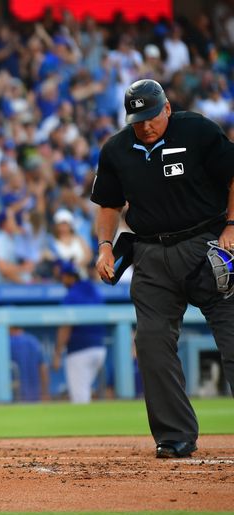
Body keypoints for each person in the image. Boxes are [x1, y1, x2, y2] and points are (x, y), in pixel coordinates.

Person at [92, 79, 234, 459]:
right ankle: (174, 435)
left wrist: (232, 226)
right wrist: (105, 246)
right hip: (151, 254)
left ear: (167, 108)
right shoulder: (118, 149)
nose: (146, 125)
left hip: (206, 246)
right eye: (138, 119)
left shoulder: (198, 130)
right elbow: (107, 204)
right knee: (151, 342)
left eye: (152, 116)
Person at [51, 260, 106, 403]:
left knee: (80, 399)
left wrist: (57, 353)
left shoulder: (71, 295)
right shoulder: (92, 289)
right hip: (100, 349)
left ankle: (90, 424)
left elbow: (65, 326)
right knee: (85, 391)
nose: (62, 280)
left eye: (64, 276)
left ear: (70, 277)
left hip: (80, 351)